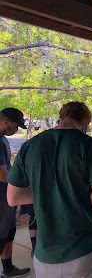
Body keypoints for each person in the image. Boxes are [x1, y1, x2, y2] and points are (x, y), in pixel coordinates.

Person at [7, 101, 92, 277]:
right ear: (86, 120)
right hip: (82, 247)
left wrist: (47, 190)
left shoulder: (30, 146)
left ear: (62, 117)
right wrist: (71, 189)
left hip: (44, 253)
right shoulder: (91, 146)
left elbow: (13, 198)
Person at [0, 108, 30, 278]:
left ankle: (8, 269)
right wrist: (24, 182)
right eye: (16, 126)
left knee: (8, 234)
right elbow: (3, 175)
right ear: (7, 123)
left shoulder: (2, 139)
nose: (16, 129)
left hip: (6, 196)